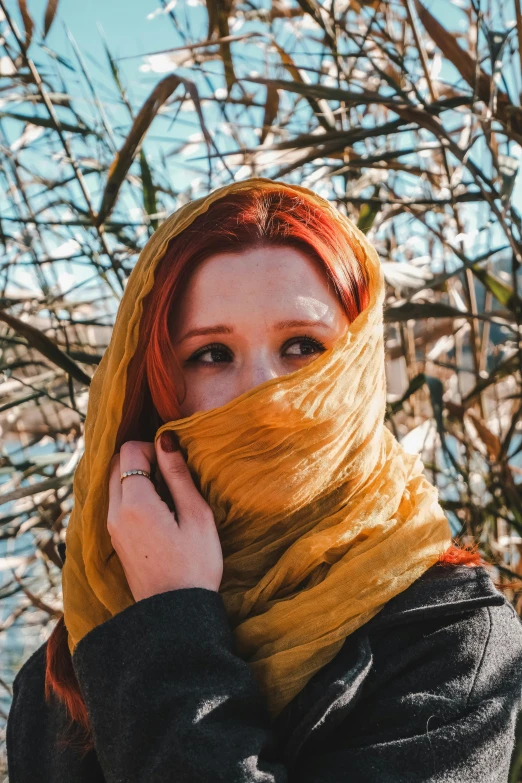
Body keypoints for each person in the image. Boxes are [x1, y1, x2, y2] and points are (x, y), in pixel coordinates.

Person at [6, 178, 522, 783]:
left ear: (356, 368)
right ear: (158, 384)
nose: (263, 392)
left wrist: (173, 624)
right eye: (212, 354)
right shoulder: (89, 629)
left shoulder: (451, 639)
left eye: (303, 346)